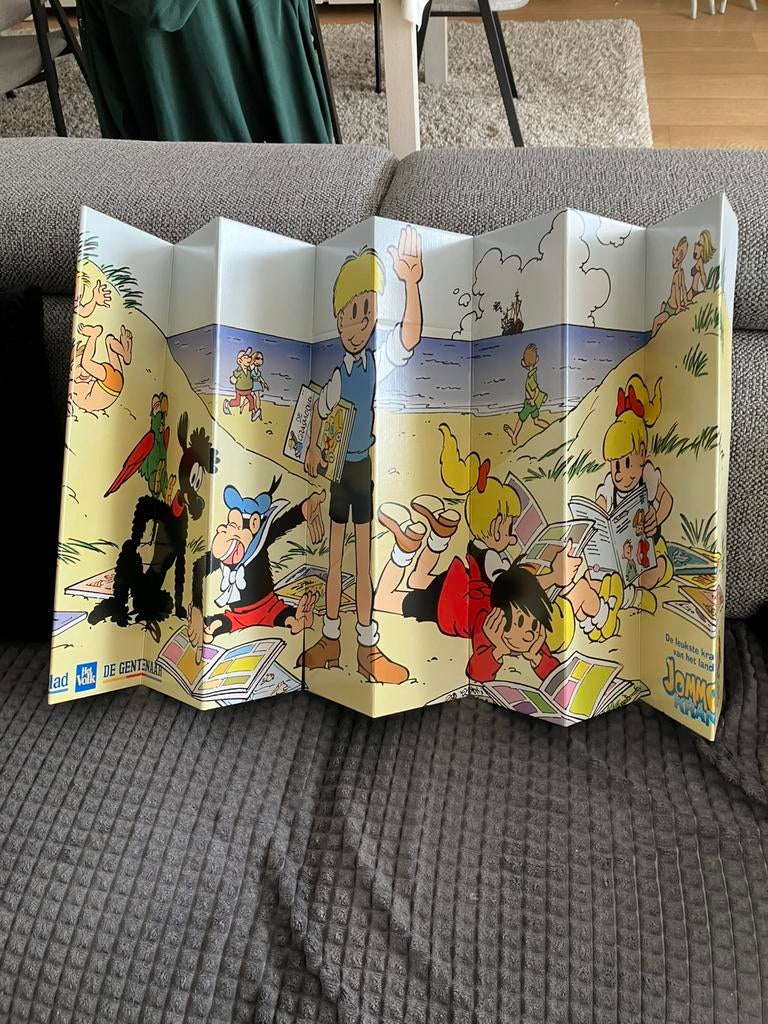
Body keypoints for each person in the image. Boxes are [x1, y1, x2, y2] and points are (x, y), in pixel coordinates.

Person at [300, 227, 424, 685]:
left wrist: (410, 284)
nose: (358, 324)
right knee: (336, 557)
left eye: (367, 312)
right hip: (339, 473)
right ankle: (331, 639)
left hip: (362, 467)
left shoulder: (374, 363)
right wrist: (313, 448)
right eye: (351, 314)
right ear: (338, 320)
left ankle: (367, 647)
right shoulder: (339, 374)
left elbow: (409, 336)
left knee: (363, 559)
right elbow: (319, 409)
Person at [597, 375, 674, 612]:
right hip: (622, 553)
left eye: (628, 463)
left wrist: (657, 517)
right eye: (616, 466)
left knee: (649, 578)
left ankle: (663, 568)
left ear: (642, 454)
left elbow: (666, 499)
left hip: (649, 546)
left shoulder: (647, 477)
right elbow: (599, 505)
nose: (622, 475)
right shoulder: (610, 485)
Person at [70, 322, 133, 416]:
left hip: (111, 386)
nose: (86, 372)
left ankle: (94, 336)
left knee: (86, 362)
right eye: (79, 367)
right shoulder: (74, 385)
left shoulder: (76, 386)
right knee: (109, 341)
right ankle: (124, 352)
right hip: (113, 384)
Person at [504, 343, 548, 445]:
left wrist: (532, 400)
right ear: (537, 359)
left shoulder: (531, 377)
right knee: (536, 421)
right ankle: (550, 428)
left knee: (521, 419)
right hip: (531, 403)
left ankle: (514, 435)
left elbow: (536, 391)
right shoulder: (532, 373)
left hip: (529, 404)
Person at [650, 237, 690, 338]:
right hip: (669, 306)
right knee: (662, 307)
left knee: (656, 321)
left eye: (676, 259)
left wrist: (679, 306)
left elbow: (679, 291)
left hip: (671, 309)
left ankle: (652, 340)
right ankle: (656, 336)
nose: (673, 262)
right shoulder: (681, 273)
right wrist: (685, 302)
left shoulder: (677, 275)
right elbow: (683, 289)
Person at [688, 230, 716, 300]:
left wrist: (706, 288)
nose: (698, 246)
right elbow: (695, 256)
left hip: (694, 291)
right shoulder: (699, 260)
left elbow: (703, 275)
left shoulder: (700, 262)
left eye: (700, 245)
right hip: (692, 290)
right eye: (698, 243)